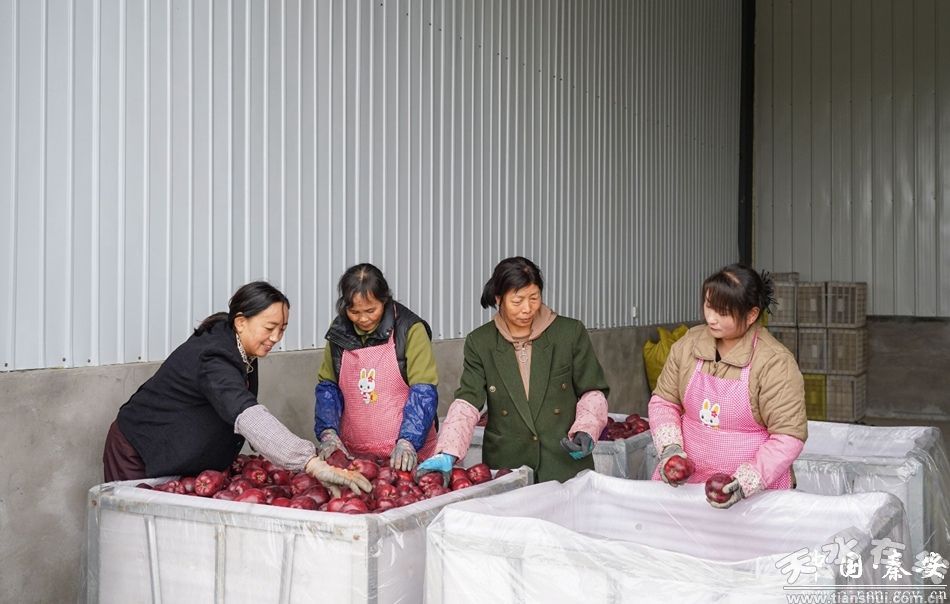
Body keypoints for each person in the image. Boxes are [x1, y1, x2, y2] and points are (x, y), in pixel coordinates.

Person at [103, 281, 371, 495]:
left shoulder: (243, 348)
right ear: (241, 322)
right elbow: (245, 413)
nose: (276, 337)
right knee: (133, 533)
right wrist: (309, 462)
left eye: (282, 329)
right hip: (139, 450)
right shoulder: (214, 357)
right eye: (270, 327)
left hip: (177, 454)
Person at [416, 256, 610, 484]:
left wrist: (587, 429)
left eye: (534, 298)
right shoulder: (481, 342)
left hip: (563, 462)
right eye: (517, 301)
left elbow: (592, 391)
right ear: (499, 299)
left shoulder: (569, 333)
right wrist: (448, 449)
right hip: (508, 466)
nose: (527, 309)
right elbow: (468, 401)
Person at [649, 264, 807, 508]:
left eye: (723, 312)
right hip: (687, 487)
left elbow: (788, 436)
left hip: (753, 496)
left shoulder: (774, 362)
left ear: (751, 315)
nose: (711, 318)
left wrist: (744, 483)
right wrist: (670, 449)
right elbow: (664, 402)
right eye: (708, 306)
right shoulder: (688, 345)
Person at [313, 264, 439, 472]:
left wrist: (408, 441)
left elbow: (423, 391)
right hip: (355, 458)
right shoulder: (338, 332)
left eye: (371, 310)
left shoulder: (410, 329)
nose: (363, 319)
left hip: (407, 456)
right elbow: (328, 387)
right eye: (354, 312)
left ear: (385, 300)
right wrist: (328, 432)